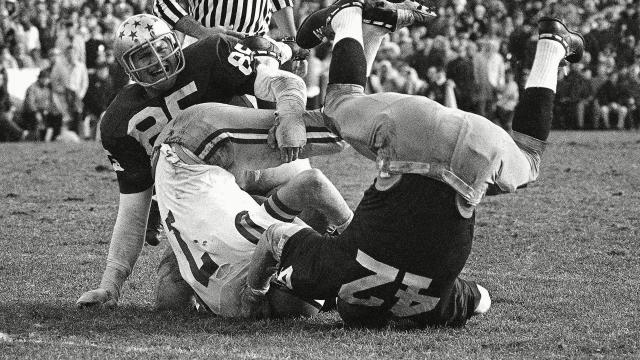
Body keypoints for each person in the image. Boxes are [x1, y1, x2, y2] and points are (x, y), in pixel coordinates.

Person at [243, 1, 584, 327]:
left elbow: (482, 299)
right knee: (340, 106)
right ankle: (348, 17)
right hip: (412, 131)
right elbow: (276, 236)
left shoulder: (438, 305)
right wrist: (253, 294)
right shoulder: (334, 273)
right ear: (342, 301)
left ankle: (551, 45)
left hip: (475, 151)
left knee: (528, 158)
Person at [76, 13, 310, 309]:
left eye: (161, 48)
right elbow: (133, 210)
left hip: (258, 168)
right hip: (203, 204)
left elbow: (279, 81)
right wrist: (110, 285)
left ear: (174, 42)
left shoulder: (211, 54)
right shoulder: (119, 121)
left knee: (309, 190)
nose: (157, 61)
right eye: (144, 55)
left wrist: (289, 114)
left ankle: (328, 270)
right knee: (170, 299)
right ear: (127, 68)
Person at [152, 103, 352, 317]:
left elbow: (313, 184)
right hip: (167, 171)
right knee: (172, 289)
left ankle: (318, 99)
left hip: (193, 139)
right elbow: (169, 296)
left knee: (336, 132)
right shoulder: (222, 304)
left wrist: (355, 236)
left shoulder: (256, 238)